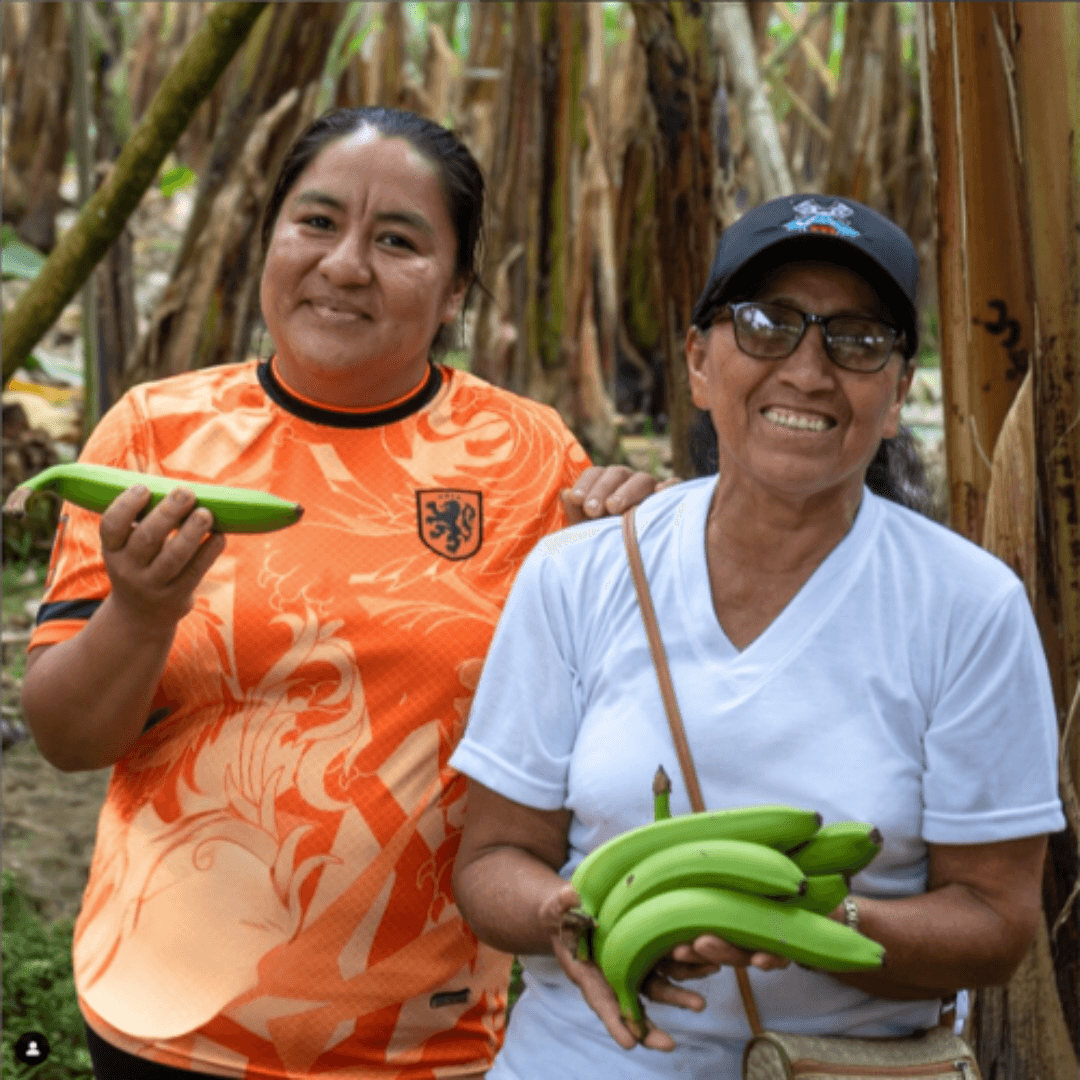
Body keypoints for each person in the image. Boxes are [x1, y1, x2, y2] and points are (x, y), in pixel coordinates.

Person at [20, 107, 666, 1080]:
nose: (346, 263)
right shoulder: (155, 436)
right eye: (316, 222)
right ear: (270, 238)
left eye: (398, 240)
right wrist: (143, 612)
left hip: (423, 1044)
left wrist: (637, 561)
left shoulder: (530, 459)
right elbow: (67, 740)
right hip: (159, 1028)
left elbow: (594, 739)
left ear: (454, 290)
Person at [449, 194, 1066, 1079]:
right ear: (699, 364)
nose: (809, 371)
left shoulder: (969, 607)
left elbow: (996, 926)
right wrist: (570, 916)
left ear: (895, 396)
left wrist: (809, 925)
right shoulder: (580, 574)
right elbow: (494, 860)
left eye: (855, 340)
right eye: (767, 324)